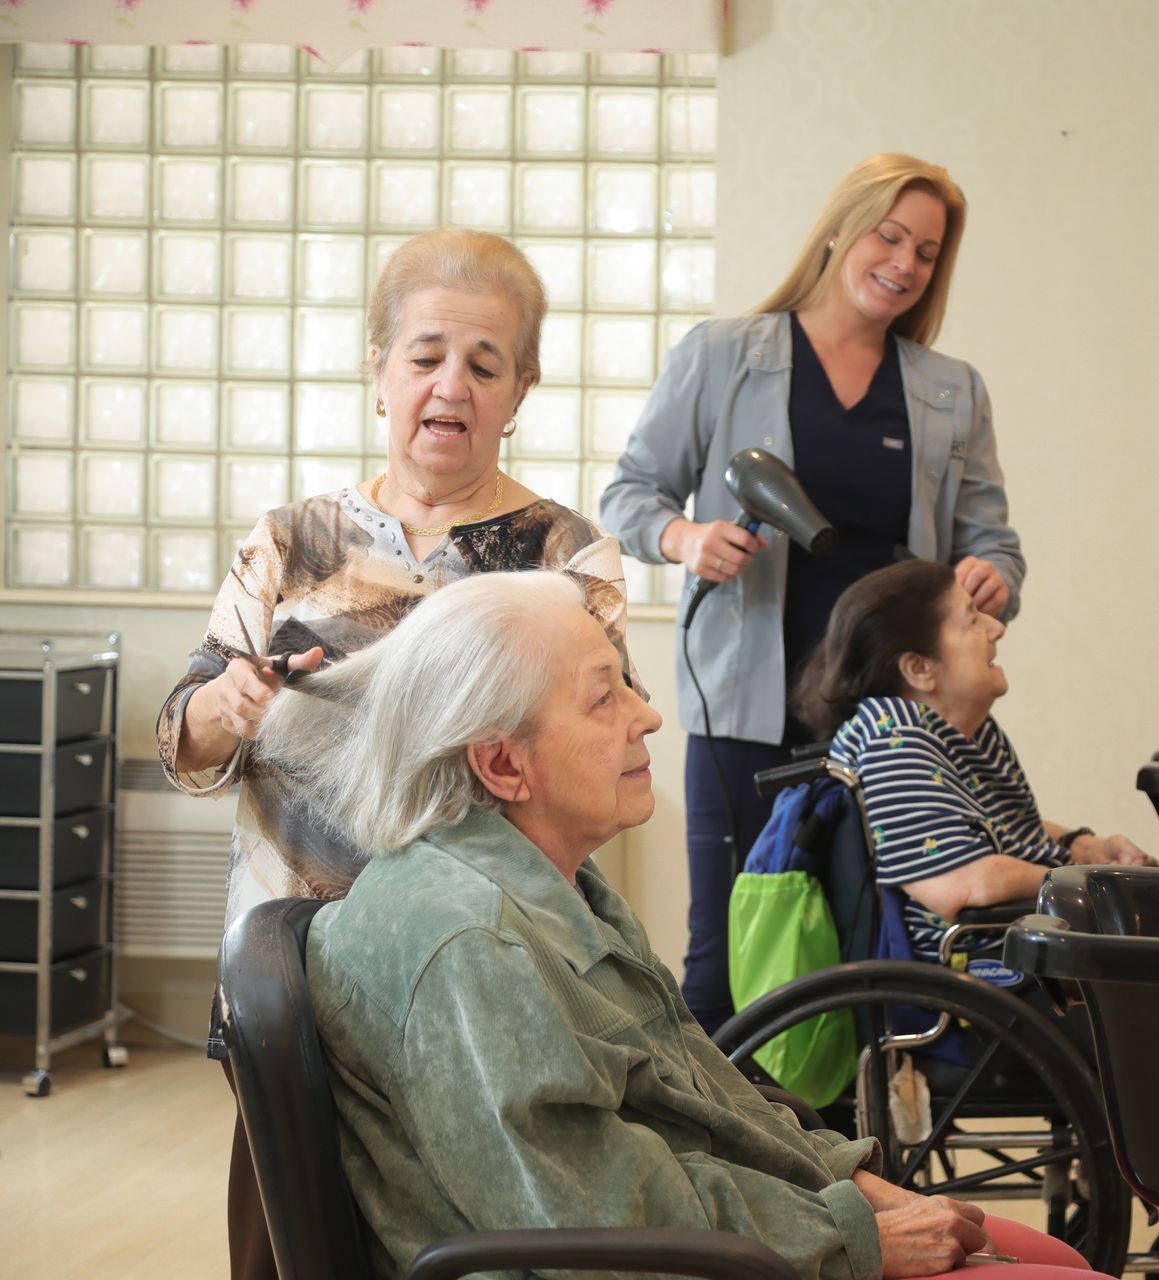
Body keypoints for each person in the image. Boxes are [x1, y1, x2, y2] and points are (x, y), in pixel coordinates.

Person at [252, 571, 1097, 1280]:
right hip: (655, 1265)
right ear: (503, 764)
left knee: (1048, 1253)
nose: (648, 716)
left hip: (717, 1239)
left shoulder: (563, 894)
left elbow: (710, 1105)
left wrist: (867, 1193)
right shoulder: (472, 943)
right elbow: (589, 1219)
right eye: (604, 696)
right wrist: (853, 1237)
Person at [155, 227, 631, 1280]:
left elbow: (594, 761)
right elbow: (182, 739)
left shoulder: (567, 556)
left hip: (473, 979)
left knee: (471, 1244)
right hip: (294, 973)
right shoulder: (293, 541)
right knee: (287, 1246)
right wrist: (227, 707)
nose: (449, 383)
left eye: (484, 362)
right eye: (424, 355)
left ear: (520, 388)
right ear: (379, 370)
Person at [600, 154, 1026, 1032]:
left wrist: (994, 580)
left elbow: (993, 543)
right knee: (731, 953)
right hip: (743, 710)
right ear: (839, 229)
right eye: (890, 235)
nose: (905, 264)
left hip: (886, 721)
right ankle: (719, 1152)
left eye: (928, 252)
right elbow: (631, 495)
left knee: (866, 952)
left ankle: (843, 1158)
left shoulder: (950, 391)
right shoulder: (724, 356)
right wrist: (687, 538)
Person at [792, 561, 1153, 964]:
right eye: (971, 619)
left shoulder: (958, 727)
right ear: (919, 668)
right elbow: (961, 884)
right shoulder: (893, 739)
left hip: (1023, 947)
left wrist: (1083, 846)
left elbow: (992, 827)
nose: (996, 628)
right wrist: (1094, 883)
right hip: (982, 974)